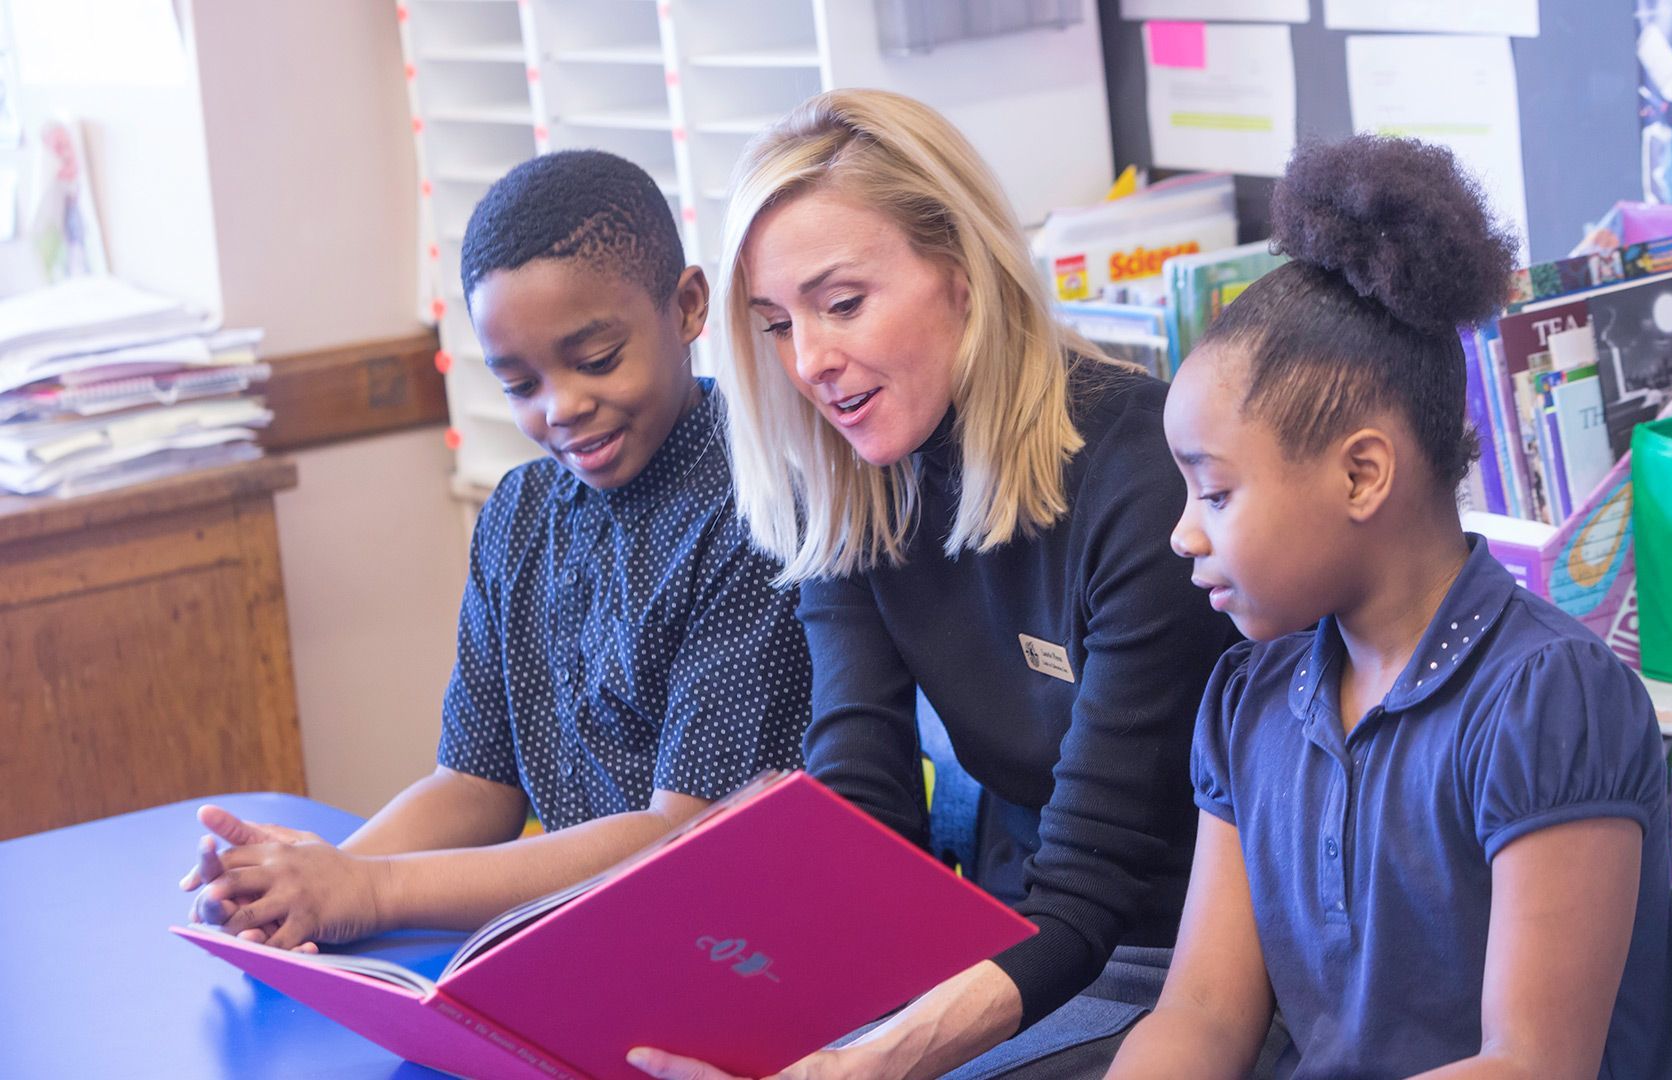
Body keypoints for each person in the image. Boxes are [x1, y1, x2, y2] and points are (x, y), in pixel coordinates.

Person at [627, 90, 1246, 1080]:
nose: (811, 362)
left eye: (842, 304)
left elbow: (1093, 894)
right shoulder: (852, 484)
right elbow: (863, 806)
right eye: (777, 324)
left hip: (1174, 970)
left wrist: (874, 1062)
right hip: (1007, 942)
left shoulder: (1139, 482)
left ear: (961, 272)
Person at [1108, 136, 1672, 1078]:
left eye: (1213, 495)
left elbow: (1531, 1065)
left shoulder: (1548, 699)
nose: (1183, 534)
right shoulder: (1250, 699)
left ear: (1362, 474)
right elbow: (1204, 1016)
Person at [179, 150, 811, 950]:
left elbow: (682, 838)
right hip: (591, 944)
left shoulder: (756, 509)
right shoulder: (520, 513)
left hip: (743, 945)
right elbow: (477, 783)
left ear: (688, 308)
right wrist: (304, 880)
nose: (563, 407)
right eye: (519, 384)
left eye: (596, 360)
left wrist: (373, 889)